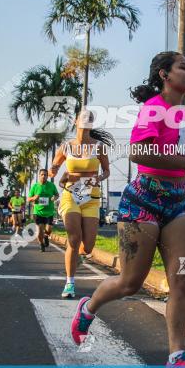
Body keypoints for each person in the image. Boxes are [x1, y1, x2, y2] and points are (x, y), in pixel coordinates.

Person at [69, 51, 185, 368]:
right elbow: (139, 153)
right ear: (165, 75)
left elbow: (180, 156)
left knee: (181, 280)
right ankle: (88, 307)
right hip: (143, 203)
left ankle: (177, 358)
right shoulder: (154, 109)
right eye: (184, 67)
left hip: (177, 204)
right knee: (130, 283)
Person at [49, 109, 112, 299]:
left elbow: (107, 171)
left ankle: (76, 257)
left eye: (91, 117)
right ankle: (69, 283)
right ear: (76, 121)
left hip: (91, 198)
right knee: (74, 239)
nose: (87, 118)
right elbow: (54, 169)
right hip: (70, 195)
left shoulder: (99, 147)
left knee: (89, 246)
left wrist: (99, 177)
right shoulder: (66, 147)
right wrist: (53, 171)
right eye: (84, 116)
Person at [28, 168, 59, 252]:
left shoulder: (51, 185)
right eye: (42, 174)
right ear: (39, 176)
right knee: (39, 231)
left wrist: (54, 197)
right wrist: (34, 197)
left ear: (47, 176)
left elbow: (57, 195)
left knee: (49, 230)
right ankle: (41, 244)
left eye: (45, 175)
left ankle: (46, 236)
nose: (44, 176)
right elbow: (29, 199)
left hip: (49, 212)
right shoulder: (35, 186)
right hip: (38, 212)